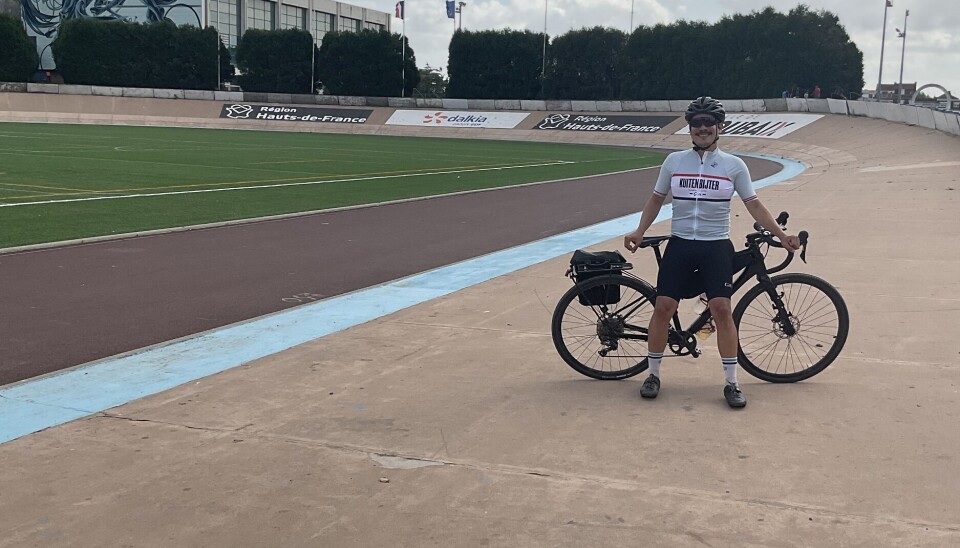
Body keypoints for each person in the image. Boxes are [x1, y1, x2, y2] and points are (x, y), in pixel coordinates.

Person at [623, 96, 801, 408]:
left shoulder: (734, 165)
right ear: (689, 128)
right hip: (680, 244)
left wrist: (781, 234)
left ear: (719, 127)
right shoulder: (674, 162)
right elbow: (655, 200)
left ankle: (732, 383)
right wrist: (640, 230)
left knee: (721, 310)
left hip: (716, 246)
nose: (702, 128)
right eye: (696, 123)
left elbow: (754, 205)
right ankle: (652, 374)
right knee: (663, 307)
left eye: (708, 123)